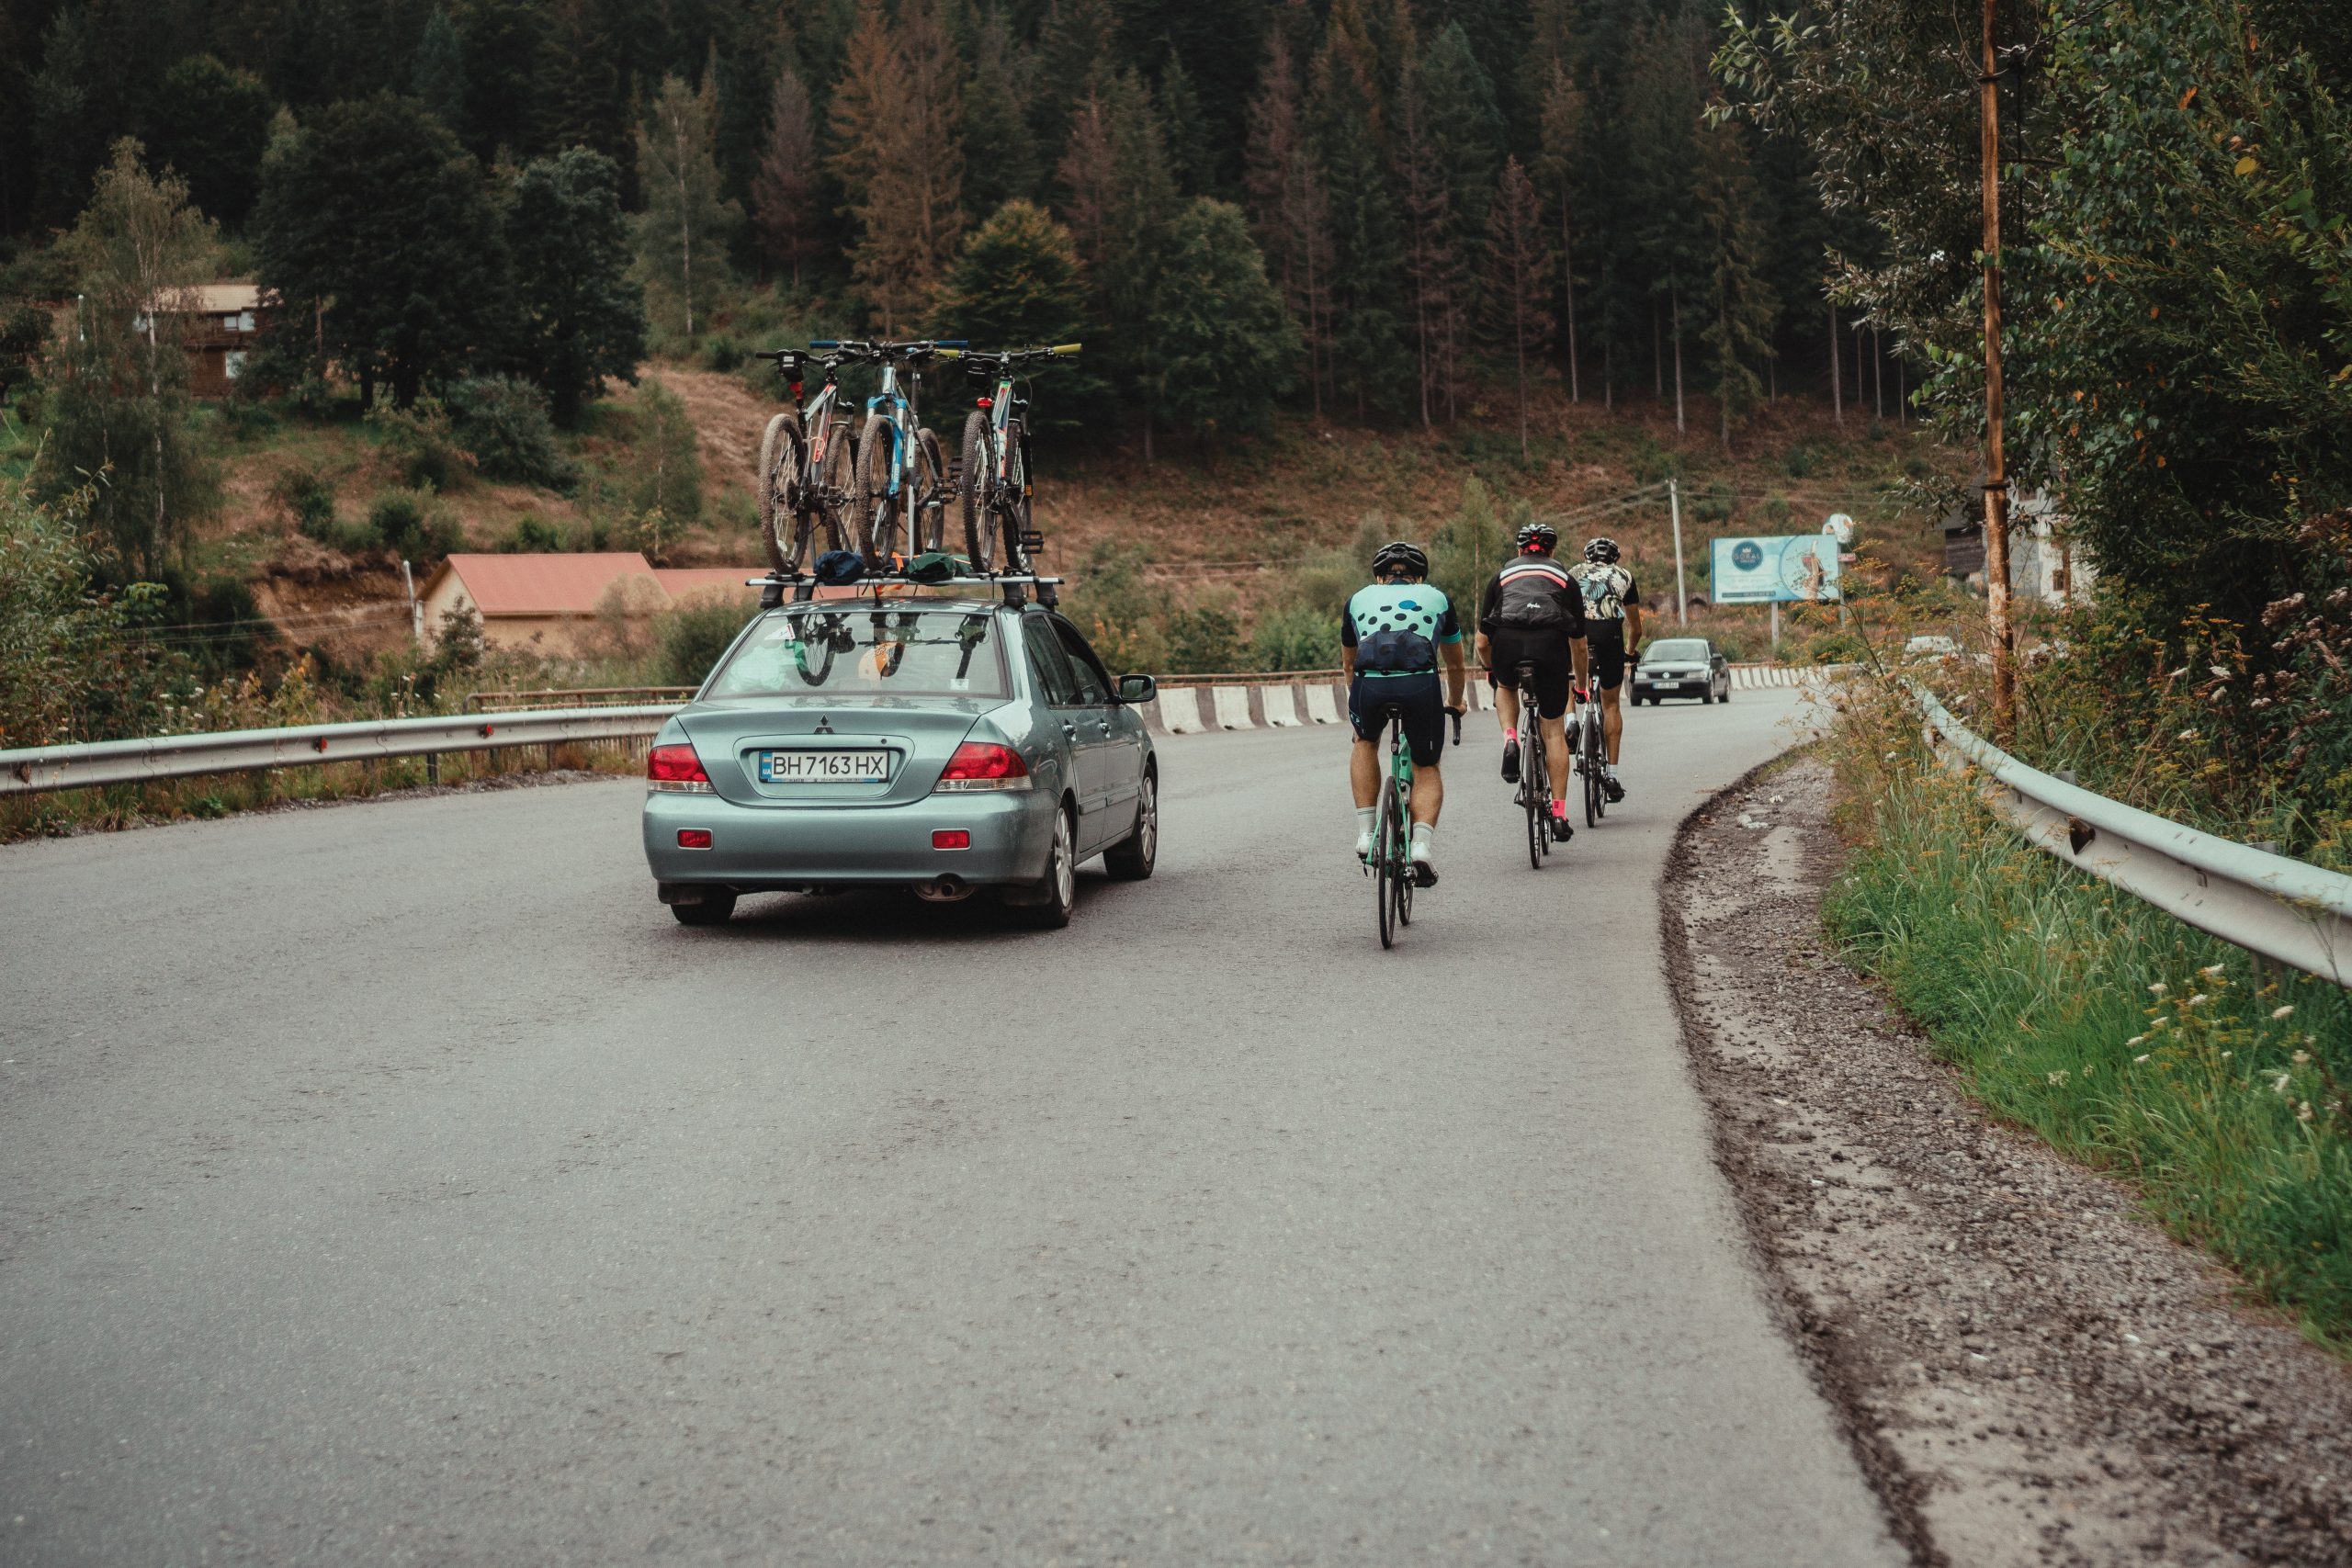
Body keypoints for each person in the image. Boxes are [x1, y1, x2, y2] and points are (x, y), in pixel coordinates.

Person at [1341, 540, 1468, 885]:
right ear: (1421, 578)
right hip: (1419, 685)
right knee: (1426, 765)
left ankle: (1366, 834)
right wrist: (1456, 702)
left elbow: (1349, 663)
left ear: (1379, 578)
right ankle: (1421, 847)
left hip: (1370, 686)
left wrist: (1360, 706)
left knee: (1364, 742)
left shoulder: (1357, 599)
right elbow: (1456, 665)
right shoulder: (1438, 598)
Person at [1474, 521, 1589, 841]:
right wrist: (1580, 686)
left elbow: (1482, 641)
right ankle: (1560, 813)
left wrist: (1492, 670)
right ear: (1551, 550)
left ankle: (1511, 738)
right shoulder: (1566, 579)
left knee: (1506, 686)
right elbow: (1579, 645)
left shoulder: (1501, 576)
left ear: (1519, 550)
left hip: (1507, 642)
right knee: (1553, 732)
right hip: (1551, 645)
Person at [1569, 536, 1643, 802]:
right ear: (1615, 559)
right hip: (1609, 636)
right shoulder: (1624, 575)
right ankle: (1611, 773)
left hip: (1578, 634)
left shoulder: (1573, 572)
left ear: (1587, 556)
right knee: (1611, 706)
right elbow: (1635, 627)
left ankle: (1571, 723)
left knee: (1570, 679)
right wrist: (1630, 652)